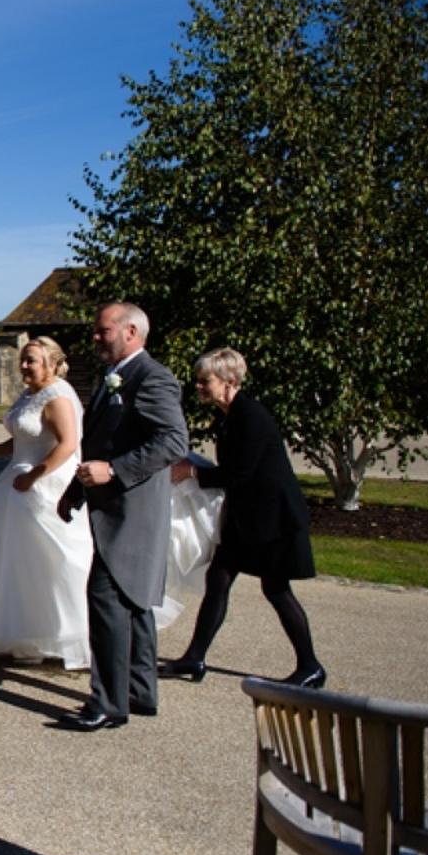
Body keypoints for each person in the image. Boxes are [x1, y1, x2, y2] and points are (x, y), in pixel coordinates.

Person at [56, 303, 188, 731]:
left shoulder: (151, 377)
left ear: (130, 331)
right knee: (132, 600)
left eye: (102, 330)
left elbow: (173, 441)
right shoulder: (114, 377)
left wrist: (113, 471)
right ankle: (139, 692)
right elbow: (102, 441)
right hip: (114, 505)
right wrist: (76, 490)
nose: (95, 337)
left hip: (133, 508)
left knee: (107, 600)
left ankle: (109, 703)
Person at [161, 348, 325, 688]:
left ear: (229, 381)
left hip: (274, 519)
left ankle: (310, 666)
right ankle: (195, 657)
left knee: (277, 589)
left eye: (205, 381)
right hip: (247, 517)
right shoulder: (229, 416)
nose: (200, 387)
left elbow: (239, 473)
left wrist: (191, 470)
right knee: (218, 581)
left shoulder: (251, 415)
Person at [0, 338, 92, 669]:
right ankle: (24, 633)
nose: (23, 366)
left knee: (51, 561)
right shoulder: (29, 394)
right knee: (14, 562)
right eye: (22, 360)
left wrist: (34, 477)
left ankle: (64, 634)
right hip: (14, 485)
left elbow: (68, 445)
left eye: (30, 361)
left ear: (51, 362)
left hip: (43, 486)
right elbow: (21, 440)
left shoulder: (58, 396)